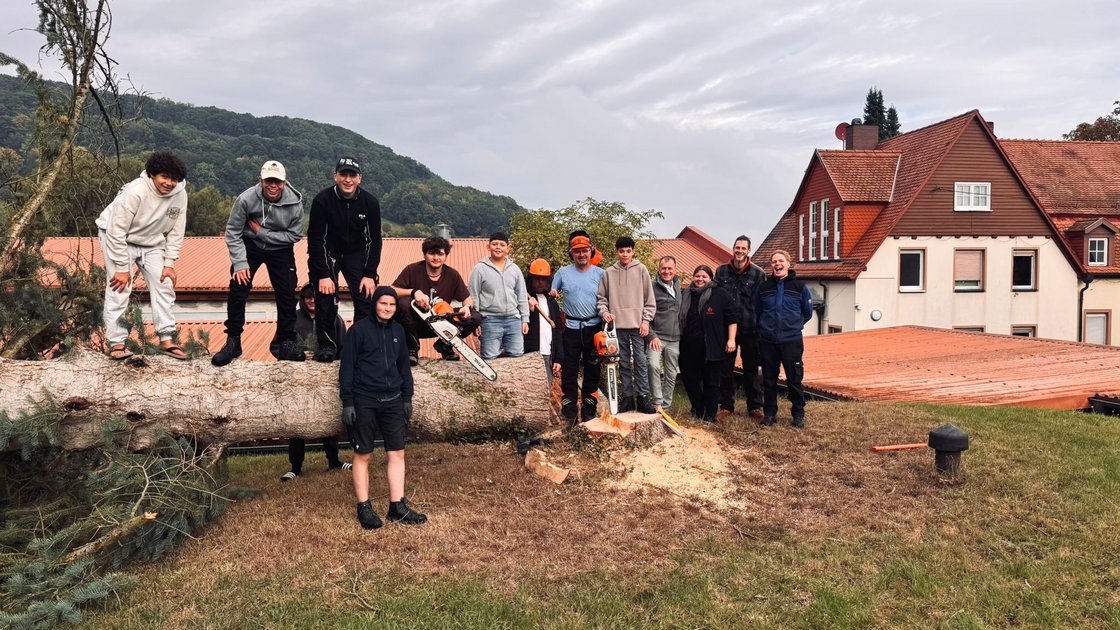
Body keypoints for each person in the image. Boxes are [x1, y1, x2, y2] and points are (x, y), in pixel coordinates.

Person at [339, 286, 427, 529]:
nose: (387, 308)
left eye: (391, 304)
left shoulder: (399, 331)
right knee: (363, 454)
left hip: (393, 401)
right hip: (364, 399)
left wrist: (407, 397)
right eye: (383, 303)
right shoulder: (358, 331)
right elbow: (346, 368)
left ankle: (396, 506)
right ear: (375, 304)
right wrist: (348, 402)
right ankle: (364, 506)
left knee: (396, 453)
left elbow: (404, 368)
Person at [96, 151, 190, 361]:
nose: (169, 183)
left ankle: (167, 339)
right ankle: (117, 343)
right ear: (152, 174)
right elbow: (116, 229)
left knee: (164, 283)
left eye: (174, 179)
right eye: (164, 177)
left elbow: (176, 230)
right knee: (120, 287)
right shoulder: (135, 191)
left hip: (151, 240)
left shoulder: (180, 194)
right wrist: (121, 267)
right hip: (117, 236)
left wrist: (169, 263)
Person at [212, 160, 306, 366]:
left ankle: (286, 342)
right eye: (269, 181)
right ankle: (233, 341)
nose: (273, 186)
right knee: (238, 287)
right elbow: (232, 232)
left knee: (288, 293)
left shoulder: (295, 203)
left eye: (278, 182)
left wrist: (262, 232)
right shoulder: (245, 199)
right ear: (261, 181)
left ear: (284, 182)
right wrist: (239, 262)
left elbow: (295, 235)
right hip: (250, 245)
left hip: (280, 249)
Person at [306, 157, 382, 362]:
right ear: (335, 176)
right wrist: (322, 274)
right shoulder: (322, 200)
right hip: (327, 252)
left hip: (357, 253)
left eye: (352, 175)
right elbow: (314, 240)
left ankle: (360, 345)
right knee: (325, 297)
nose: (347, 180)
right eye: (343, 175)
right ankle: (326, 345)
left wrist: (369, 274)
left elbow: (375, 241)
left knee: (366, 295)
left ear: (359, 178)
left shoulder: (370, 203)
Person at [280, 283, 351, 481]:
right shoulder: (291, 319)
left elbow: (344, 348)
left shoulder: (334, 320)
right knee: (298, 423)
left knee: (328, 419)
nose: (312, 300)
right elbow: (277, 346)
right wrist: (298, 355)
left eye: (316, 297)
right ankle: (295, 467)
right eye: (308, 297)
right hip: (298, 381)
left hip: (326, 380)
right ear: (302, 299)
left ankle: (334, 460)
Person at [391, 236, 481, 365]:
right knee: (403, 303)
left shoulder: (452, 274)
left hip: (442, 323)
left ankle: (445, 345)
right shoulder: (412, 269)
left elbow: (467, 299)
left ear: (445, 256)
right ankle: (412, 349)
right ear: (424, 255)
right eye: (431, 253)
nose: (436, 258)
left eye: (440, 253)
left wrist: (466, 307)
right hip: (416, 323)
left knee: (475, 317)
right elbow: (392, 290)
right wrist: (413, 292)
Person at [551, 233, 606, 424]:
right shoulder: (563, 273)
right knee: (569, 368)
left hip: (594, 326)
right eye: (577, 252)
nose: (581, 255)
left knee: (593, 367)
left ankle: (589, 408)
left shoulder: (601, 274)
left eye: (584, 251)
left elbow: (609, 298)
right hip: (571, 326)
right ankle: (569, 408)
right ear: (571, 254)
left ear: (591, 251)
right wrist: (553, 293)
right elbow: (550, 293)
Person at [597, 237, 656, 414]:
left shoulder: (641, 270)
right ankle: (628, 398)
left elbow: (649, 300)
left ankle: (643, 398)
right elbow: (601, 299)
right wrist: (605, 312)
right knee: (622, 362)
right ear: (617, 252)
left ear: (633, 252)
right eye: (621, 251)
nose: (625, 254)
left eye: (628, 251)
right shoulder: (608, 272)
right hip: (617, 326)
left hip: (638, 325)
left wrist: (646, 320)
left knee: (640, 361)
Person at [755, 250, 813, 428]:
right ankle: (770, 414)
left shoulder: (800, 287)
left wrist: (793, 326)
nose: (777, 264)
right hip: (768, 341)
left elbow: (807, 313)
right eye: (774, 262)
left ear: (788, 264)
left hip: (791, 341)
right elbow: (758, 311)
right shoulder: (763, 288)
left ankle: (798, 414)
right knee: (769, 378)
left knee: (794, 379)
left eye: (781, 261)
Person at [714, 235, 767, 419]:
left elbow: (762, 302)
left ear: (748, 251)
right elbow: (716, 298)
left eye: (744, 248)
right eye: (737, 248)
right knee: (725, 368)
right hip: (727, 329)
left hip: (750, 328)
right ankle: (726, 406)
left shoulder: (758, 274)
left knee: (751, 368)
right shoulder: (721, 272)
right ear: (733, 248)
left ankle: (755, 406)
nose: (740, 251)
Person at [677, 265, 736, 421]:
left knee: (711, 381)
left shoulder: (720, 294)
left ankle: (710, 414)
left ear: (711, 278)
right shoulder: (685, 294)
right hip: (688, 346)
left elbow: (732, 319)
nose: (700, 279)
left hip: (712, 345)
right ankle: (698, 409)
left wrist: (731, 339)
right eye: (697, 276)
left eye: (704, 277)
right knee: (690, 380)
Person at [468, 232, 529, 360]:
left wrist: (525, 319)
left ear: (508, 249)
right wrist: (475, 322)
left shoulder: (515, 269)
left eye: (502, 245)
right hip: (489, 319)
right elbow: (473, 296)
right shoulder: (479, 269)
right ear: (488, 247)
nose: (498, 247)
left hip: (513, 319)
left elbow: (522, 295)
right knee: (489, 358)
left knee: (517, 356)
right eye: (494, 244)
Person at [646, 256, 682, 410]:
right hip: (657, 337)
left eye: (670, 268)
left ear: (675, 270)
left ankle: (666, 407)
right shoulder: (651, 287)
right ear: (659, 270)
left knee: (671, 373)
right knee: (653, 365)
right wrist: (651, 336)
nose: (667, 271)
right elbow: (644, 313)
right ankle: (657, 402)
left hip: (675, 339)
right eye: (664, 268)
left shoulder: (678, 285)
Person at [524, 258, 563, 384]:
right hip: (529, 354)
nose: (540, 282)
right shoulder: (524, 299)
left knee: (546, 391)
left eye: (543, 279)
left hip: (548, 354)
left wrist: (558, 358)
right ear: (531, 279)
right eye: (537, 279)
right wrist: (528, 309)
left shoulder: (552, 302)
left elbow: (557, 331)